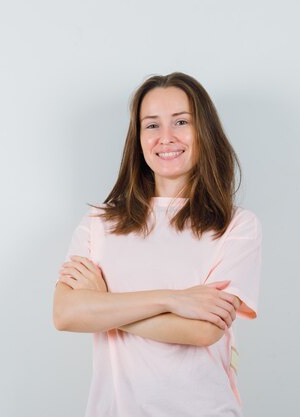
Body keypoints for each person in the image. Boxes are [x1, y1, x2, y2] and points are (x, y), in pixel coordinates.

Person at [52, 72, 262, 417]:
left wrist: (102, 308)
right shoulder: (100, 223)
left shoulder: (236, 226)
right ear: (138, 138)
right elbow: (65, 314)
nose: (166, 137)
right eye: (151, 125)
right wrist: (174, 299)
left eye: (181, 121)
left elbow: (204, 330)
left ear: (204, 132)